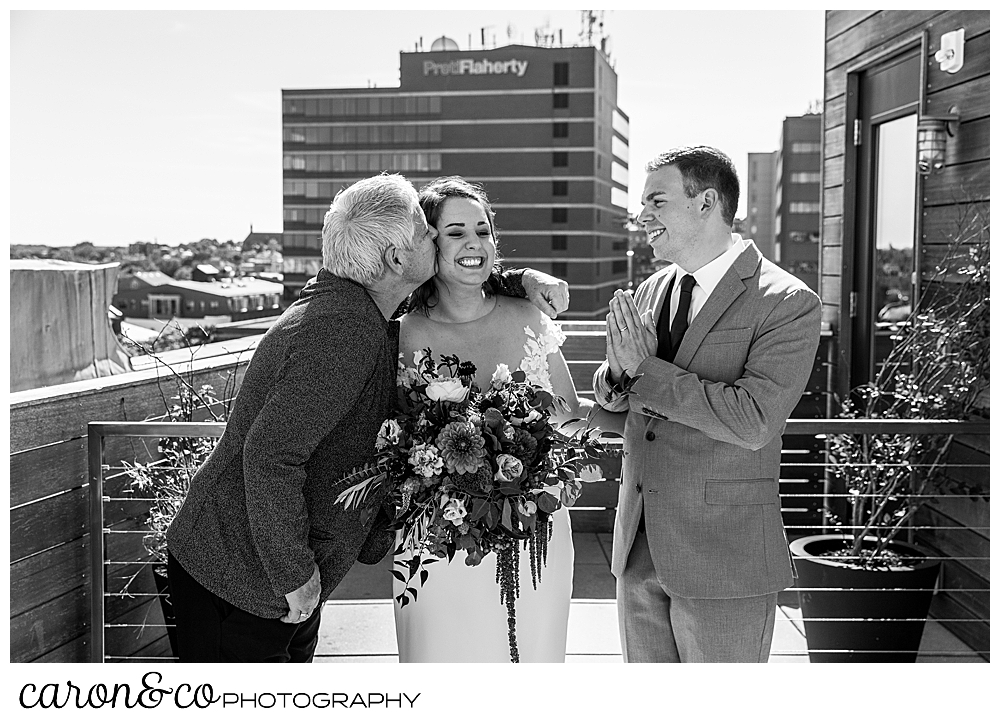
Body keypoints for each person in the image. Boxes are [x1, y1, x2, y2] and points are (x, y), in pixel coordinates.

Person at [165, 173, 569, 663]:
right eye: (430, 233)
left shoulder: (348, 307)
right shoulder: (344, 330)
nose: (440, 240)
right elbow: (270, 455)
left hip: (263, 578)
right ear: (398, 259)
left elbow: (469, 276)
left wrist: (522, 280)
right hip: (243, 579)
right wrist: (294, 574)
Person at [592, 146, 822, 663]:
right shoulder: (651, 289)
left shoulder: (787, 302)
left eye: (656, 200)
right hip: (638, 545)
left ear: (707, 202)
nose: (642, 215)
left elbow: (754, 420)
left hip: (725, 555)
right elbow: (623, 393)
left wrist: (643, 370)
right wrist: (614, 377)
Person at [393, 176, 590, 663]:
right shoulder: (399, 333)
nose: (474, 244)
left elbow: (569, 417)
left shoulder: (530, 316)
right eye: (456, 232)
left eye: (483, 231)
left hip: (535, 534)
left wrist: (619, 384)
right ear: (428, 243)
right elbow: (390, 439)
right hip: (434, 544)